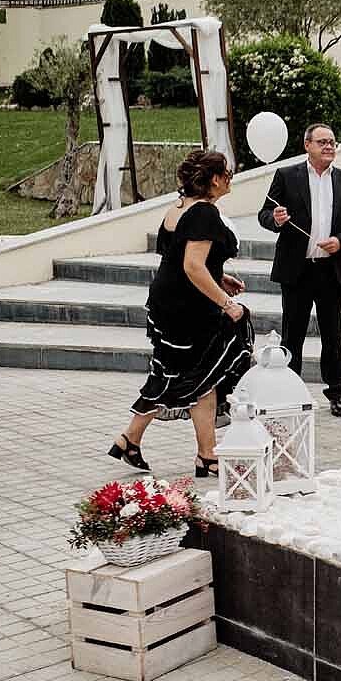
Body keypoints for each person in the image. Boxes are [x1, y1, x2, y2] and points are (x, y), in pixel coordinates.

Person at [110, 150, 253, 478]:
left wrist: (220, 277)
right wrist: (226, 303)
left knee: (188, 377)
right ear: (214, 179)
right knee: (199, 376)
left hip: (169, 303)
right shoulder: (204, 212)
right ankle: (206, 455)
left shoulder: (179, 207)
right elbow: (191, 265)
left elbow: (178, 258)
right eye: (226, 173)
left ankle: (134, 440)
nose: (230, 178)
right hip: (187, 309)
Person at [257, 123, 341, 417]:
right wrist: (277, 219)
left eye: (332, 142)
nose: (329, 146)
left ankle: (336, 394)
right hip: (297, 270)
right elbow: (265, 214)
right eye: (322, 142)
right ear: (307, 145)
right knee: (292, 335)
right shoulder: (287, 176)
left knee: (332, 336)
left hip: (332, 270)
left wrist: (340, 241)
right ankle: (287, 394)